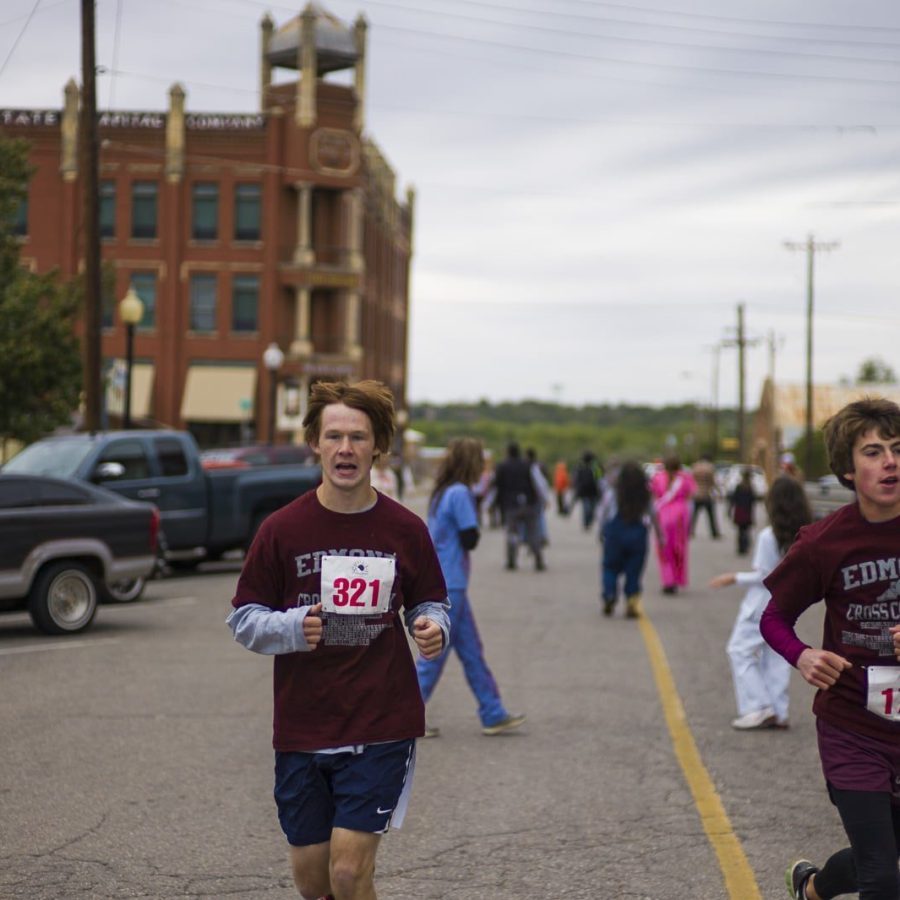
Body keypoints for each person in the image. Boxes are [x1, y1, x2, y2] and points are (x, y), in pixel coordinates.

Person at [226, 380, 450, 900]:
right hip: (304, 725)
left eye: (358, 437)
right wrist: (291, 626)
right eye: (333, 436)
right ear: (315, 443)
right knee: (314, 881)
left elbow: (431, 602)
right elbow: (243, 619)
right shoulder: (282, 530)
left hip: (381, 719)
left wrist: (432, 627)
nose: (345, 448)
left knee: (348, 874)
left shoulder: (405, 529)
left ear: (379, 446)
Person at [759, 398, 900, 900]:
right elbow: (773, 618)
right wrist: (802, 655)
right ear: (846, 468)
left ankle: (814, 887)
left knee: (882, 860)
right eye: (874, 451)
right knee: (884, 878)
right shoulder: (825, 542)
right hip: (852, 726)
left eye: (899, 449)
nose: (891, 461)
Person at [416, 437, 526, 738]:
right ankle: (405, 714)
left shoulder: (442, 492)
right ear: (472, 463)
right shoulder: (461, 492)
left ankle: (492, 711)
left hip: (444, 578)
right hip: (453, 582)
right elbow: (470, 538)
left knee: (471, 650)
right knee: (434, 654)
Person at [709, 475, 812, 730]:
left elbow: (765, 576)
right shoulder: (805, 534)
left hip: (761, 604)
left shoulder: (769, 536)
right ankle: (779, 709)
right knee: (775, 657)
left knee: (739, 650)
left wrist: (733, 577)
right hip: (788, 604)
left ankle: (757, 707)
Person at [597, 460, 662, 619]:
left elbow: (603, 513)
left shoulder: (613, 492)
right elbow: (653, 515)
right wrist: (660, 536)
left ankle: (610, 594)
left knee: (610, 567)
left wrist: (600, 532)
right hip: (637, 533)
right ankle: (632, 599)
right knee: (634, 570)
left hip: (615, 533)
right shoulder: (645, 494)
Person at [492, 441, 545, 571]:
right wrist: (544, 499)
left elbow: (495, 486)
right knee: (533, 533)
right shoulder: (528, 465)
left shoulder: (502, 466)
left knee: (512, 533)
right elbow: (539, 483)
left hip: (510, 505)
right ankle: (538, 559)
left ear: (508, 452)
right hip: (529, 504)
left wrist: (490, 504)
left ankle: (511, 560)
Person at [649, 455, 696, 594]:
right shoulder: (686, 478)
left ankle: (667, 580)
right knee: (679, 550)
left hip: (663, 516)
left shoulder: (658, 477)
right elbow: (691, 495)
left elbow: (654, 495)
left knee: (664, 550)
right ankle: (677, 579)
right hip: (681, 517)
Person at [728, 467, 759, 555]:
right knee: (746, 530)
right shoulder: (751, 487)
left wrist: (730, 510)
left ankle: (740, 547)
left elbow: (733, 499)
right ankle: (745, 546)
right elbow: (753, 501)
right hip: (747, 511)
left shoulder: (739, 486)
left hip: (739, 510)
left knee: (740, 530)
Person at [690, 453, 721, 539]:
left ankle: (690, 532)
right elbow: (713, 482)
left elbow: (691, 480)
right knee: (711, 515)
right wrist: (718, 491)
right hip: (707, 494)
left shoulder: (695, 467)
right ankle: (714, 533)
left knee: (693, 516)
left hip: (696, 494)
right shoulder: (710, 468)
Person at [572, 451, 602, 531]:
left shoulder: (595, 468)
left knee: (591, 509)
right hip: (587, 492)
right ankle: (586, 523)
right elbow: (600, 479)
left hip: (592, 492)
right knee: (587, 508)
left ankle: (588, 522)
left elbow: (599, 479)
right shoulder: (580, 467)